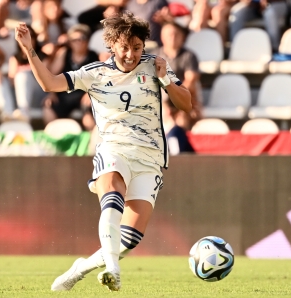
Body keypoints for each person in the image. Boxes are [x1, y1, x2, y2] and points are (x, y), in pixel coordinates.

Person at [14, 11, 191, 291]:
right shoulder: (95, 73)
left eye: (136, 47)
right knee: (112, 194)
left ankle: (81, 267)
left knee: (130, 238)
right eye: (124, 48)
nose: (131, 54)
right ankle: (113, 269)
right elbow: (50, 83)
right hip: (114, 148)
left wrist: (166, 81)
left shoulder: (155, 66)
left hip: (151, 158)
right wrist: (29, 49)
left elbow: (187, 104)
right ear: (112, 45)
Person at [42, 24, 99, 129]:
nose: (78, 42)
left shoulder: (94, 56)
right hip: (65, 93)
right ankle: (54, 140)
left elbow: (98, 79)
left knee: (89, 114)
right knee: (48, 107)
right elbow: (53, 73)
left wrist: (90, 93)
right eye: (74, 39)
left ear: (87, 40)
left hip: (83, 94)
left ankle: (91, 142)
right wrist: (52, 93)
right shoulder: (64, 53)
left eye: (82, 38)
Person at [152, 22, 202, 130]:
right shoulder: (155, 57)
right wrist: (164, 104)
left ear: (182, 37)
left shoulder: (189, 56)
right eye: (169, 34)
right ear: (162, 37)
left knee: (182, 120)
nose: (173, 37)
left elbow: (191, 80)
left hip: (183, 97)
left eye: (176, 34)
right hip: (161, 98)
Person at [8, 25, 49, 121]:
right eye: (22, 36)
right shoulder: (15, 58)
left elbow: (45, 78)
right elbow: (11, 82)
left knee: (23, 75)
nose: (26, 39)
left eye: (30, 37)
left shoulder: (42, 56)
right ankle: (9, 112)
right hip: (19, 94)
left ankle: (24, 111)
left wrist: (29, 51)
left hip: (39, 94)